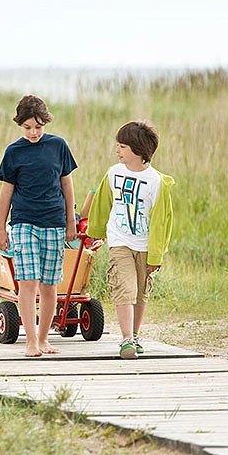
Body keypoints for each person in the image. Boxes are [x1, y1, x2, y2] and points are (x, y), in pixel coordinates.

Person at [81, 120, 175, 360]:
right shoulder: (114, 173)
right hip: (119, 240)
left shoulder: (156, 182)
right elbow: (103, 204)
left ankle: (134, 334)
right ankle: (126, 339)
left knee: (141, 291)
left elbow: (161, 222)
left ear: (138, 150)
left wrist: (156, 255)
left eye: (122, 146)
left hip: (145, 245)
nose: (117, 151)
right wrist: (95, 232)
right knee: (125, 287)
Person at [0, 95, 78, 357]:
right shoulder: (13, 152)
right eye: (28, 127)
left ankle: (44, 340)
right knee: (28, 281)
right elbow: (6, 193)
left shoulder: (58, 146)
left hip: (54, 222)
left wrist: (70, 222)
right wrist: (0, 229)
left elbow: (67, 185)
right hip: (23, 223)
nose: (33, 132)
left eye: (39, 127)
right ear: (20, 124)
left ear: (46, 123)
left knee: (49, 285)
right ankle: (30, 342)